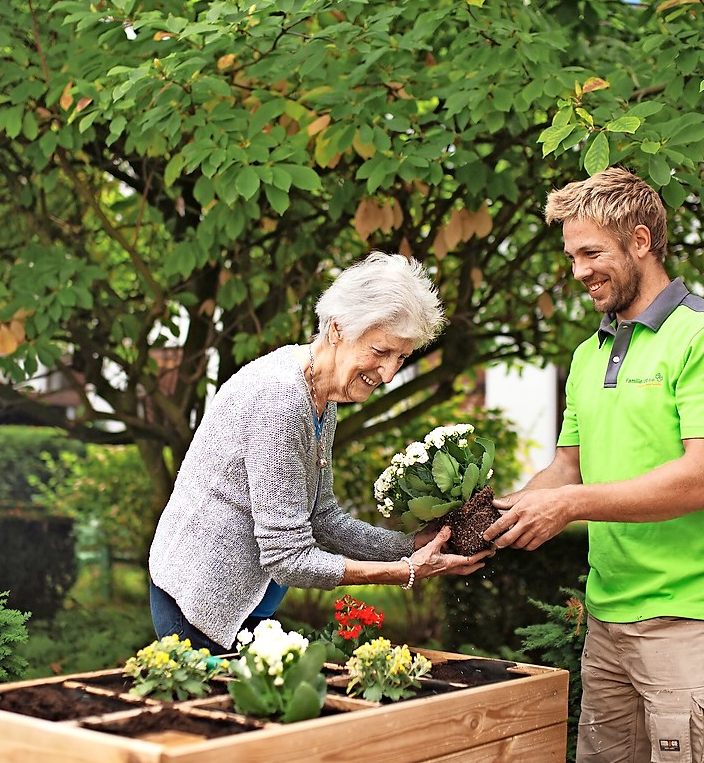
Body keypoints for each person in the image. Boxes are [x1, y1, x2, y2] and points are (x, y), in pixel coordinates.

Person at [485, 168, 704, 763]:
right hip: (609, 619)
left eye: (591, 253)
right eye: (571, 256)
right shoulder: (590, 354)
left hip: (694, 620)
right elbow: (566, 470)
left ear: (640, 240)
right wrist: (497, 515)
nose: (579, 271)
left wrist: (570, 505)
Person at [149, 252, 490, 654]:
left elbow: (322, 516)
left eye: (401, 357)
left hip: (247, 601)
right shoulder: (281, 400)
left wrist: (412, 545)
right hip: (202, 603)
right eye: (380, 351)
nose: (389, 373)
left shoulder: (321, 395)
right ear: (337, 329)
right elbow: (286, 555)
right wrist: (402, 573)